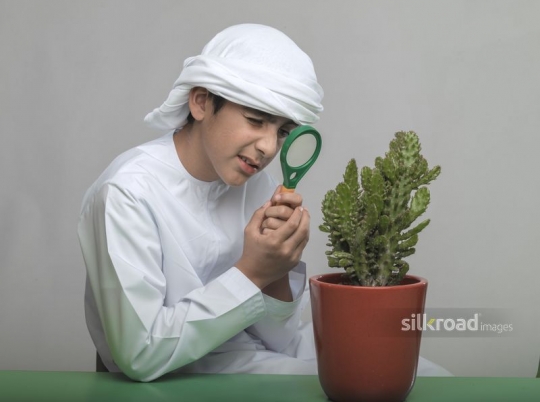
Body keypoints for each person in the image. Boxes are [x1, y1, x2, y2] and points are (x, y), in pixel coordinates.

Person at [78, 23, 451, 382]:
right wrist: (253, 272)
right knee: (368, 383)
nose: (270, 148)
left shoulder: (260, 185)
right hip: (189, 372)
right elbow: (138, 353)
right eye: (256, 120)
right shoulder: (127, 193)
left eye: (283, 132)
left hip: (267, 354)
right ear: (201, 102)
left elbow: (282, 338)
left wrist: (277, 271)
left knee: (430, 377)